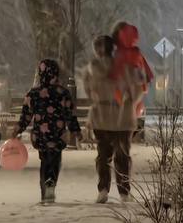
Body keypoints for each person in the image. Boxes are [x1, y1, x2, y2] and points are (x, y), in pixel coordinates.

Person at [13, 59, 81, 203]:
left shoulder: (33, 94)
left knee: (44, 161)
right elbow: (70, 114)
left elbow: (26, 115)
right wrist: (75, 130)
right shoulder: (63, 93)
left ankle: (45, 190)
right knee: (55, 160)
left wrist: (18, 129)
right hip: (58, 135)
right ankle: (51, 183)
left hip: (41, 135)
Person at [85, 34, 139, 203]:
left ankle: (103, 189)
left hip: (101, 115)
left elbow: (88, 91)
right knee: (122, 156)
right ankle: (124, 192)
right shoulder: (124, 67)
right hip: (122, 117)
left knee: (103, 155)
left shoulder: (92, 68)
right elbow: (135, 89)